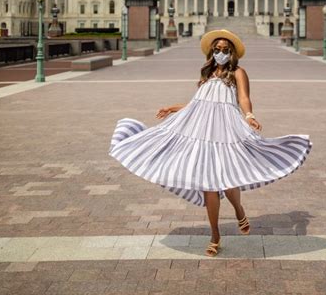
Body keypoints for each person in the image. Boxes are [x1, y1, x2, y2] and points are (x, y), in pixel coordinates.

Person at [109, 29, 313, 257]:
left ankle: (239, 210)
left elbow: (244, 98)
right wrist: (172, 108)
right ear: (211, 52)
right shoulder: (207, 74)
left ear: (232, 52)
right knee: (209, 184)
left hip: (226, 132)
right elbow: (197, 103)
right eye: (217, 50)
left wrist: (250, 116)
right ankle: (215, 235)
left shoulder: (238, 72)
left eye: (225, 50)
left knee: (228, 179)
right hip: (201, 131)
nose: (221, 53)